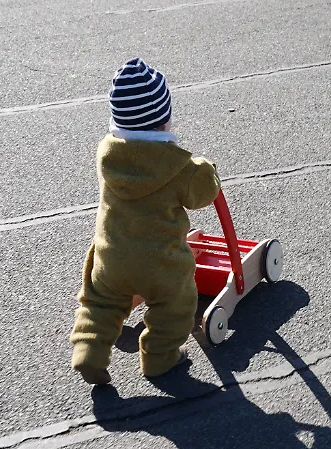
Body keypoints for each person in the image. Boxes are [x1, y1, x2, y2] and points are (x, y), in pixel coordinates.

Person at [70, 57, 221, 384]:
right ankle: (159, 358)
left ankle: (88, 350)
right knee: (175, 305)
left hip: (111, 257)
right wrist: (207, 168)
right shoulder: (180, 168)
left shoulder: (107, 154)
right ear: (164, 120)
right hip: (159, 264)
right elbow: (204, 193)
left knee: (99, 303)